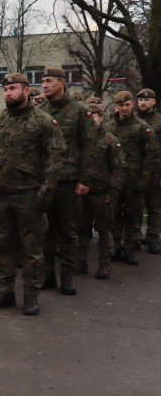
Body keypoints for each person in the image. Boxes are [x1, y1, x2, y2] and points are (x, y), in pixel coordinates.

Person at [0, 73, 63, 316]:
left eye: (13, 88)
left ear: (26, 91)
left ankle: (31, 295)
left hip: (30, 196)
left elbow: (55, 160)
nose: (8, 93)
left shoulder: (44, 121)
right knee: (3, 246)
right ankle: (5, 291)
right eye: (6, 89)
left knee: (32, 250)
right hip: (0, 196)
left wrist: (45, 193)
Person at [39, 67, 94, 294]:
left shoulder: (80, 111)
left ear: (62, 83)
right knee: (45, 230)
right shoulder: (40, 111)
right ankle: (48, 275)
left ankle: (68, 276)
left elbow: (89, 147)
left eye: (49, 81)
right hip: (45, 181)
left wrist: (84, 179)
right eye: (43, 81)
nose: (44, 85)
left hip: (68, 181)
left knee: (68, 231)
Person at [105, 90, 156, 265]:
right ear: (115, 106)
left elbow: (150, 157)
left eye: (127, 105)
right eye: (121, 105)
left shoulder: (143, 128)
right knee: (114, 215)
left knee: (133, 216)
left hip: (134, 180)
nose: (124, 108)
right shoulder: (109, 127)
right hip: (115, 180)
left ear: (133, 105)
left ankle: (130, 249)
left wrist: (143, 180)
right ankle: (116, 247)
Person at [77, 103, 123, 279]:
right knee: (81, 229)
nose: (89, 121)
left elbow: (118, 169)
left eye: (93, 117)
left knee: (104, 229)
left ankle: (104, 264)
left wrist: (112, 193)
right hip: (83, 193)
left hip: (102, 193)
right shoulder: (82, 140)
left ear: (101, 117)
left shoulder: (110, 140)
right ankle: (80, 263)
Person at [134, 88, 161, 254]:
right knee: (135, 205)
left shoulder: (159, 121)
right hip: (135, 170)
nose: (143, 103)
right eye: (140, 100)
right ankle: (134, 236)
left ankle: (153, 237)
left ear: (154, 102)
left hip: (154, 170)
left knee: (154, 206)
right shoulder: (133, 120)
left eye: (146, 100)